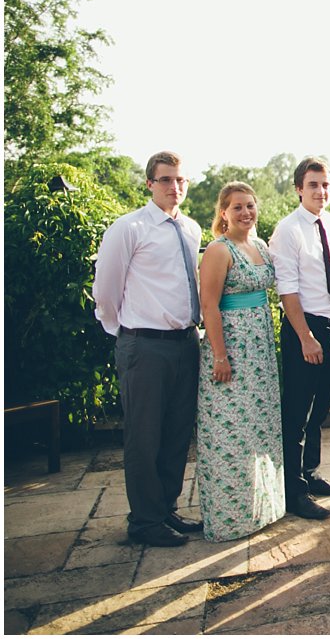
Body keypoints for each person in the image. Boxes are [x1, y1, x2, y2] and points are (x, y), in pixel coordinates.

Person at [93, 151, 204, 547]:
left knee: (177, 433)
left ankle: (165, 509)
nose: (175, 187)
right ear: (150, 184)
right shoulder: (129, 228)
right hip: (144, 343)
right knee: (144, 435)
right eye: (166, 180)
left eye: (180, 180)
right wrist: (124, 333)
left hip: (185, 342)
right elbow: (105, 290)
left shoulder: (191, 229)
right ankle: (144, 521)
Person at [196, 182, 285, 540]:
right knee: (229, 433)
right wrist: (220, 355)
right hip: (230, 347)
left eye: (250, 206)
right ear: (223, 212)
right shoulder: (219, 250)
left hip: (260, 348)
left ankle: (259, 510)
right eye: (237, 207)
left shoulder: (260, 245)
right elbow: (208, 306)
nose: (246, 213)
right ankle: (228, 519)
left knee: (258, 428)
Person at [270, 156, 330, 521]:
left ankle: (311, 473)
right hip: (305, 328)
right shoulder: (288, 230)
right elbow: (287, 290)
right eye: (314, 185)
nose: (321, 191)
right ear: (299, 189)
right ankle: (294, 493)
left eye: (326, 184)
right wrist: (305, 337)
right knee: (297, 414)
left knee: (320, 410)